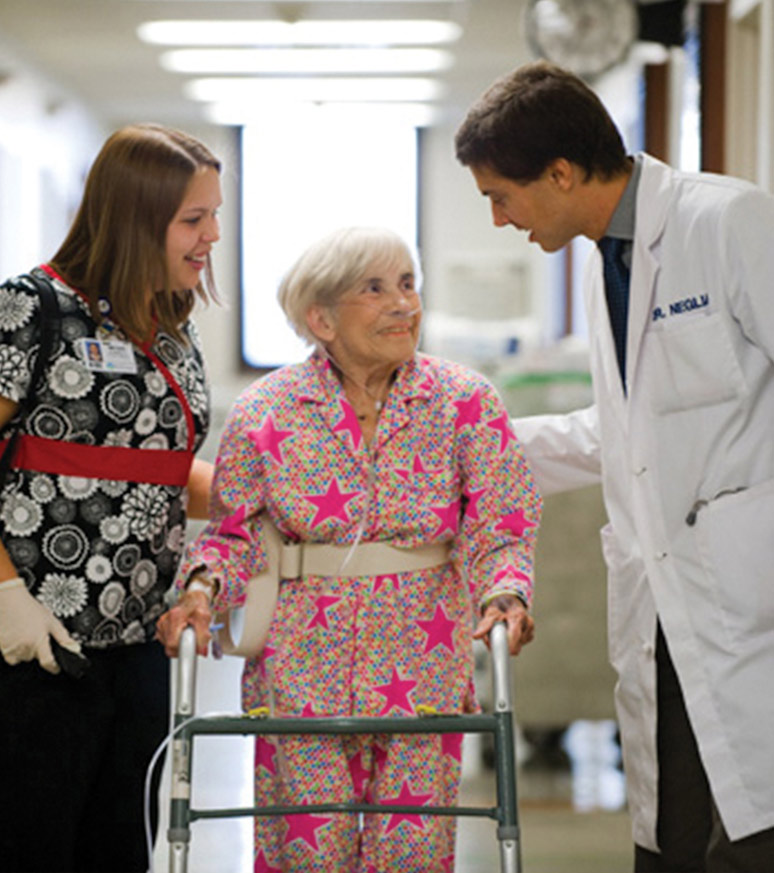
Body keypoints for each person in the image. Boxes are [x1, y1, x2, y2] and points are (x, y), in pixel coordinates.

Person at [454, 60, 774, 872]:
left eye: (502, 195)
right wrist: (465, 443)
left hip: (748, 602)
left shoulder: (727, 224)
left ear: (560, 173)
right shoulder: (609, 261)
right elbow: (622, 435)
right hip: (664, 610)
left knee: (749, 840)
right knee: (673, 843)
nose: (498, 219)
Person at [156, 225, 541, 872]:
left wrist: (506, 592)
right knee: (305, 855)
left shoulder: (466, 403)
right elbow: (232, 533)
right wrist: (199, 590)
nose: (404, 303)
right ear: (321, 317)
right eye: (375, 288)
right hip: (301, 670)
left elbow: (501, 526)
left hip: (423, 664)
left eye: (409, 284)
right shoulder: (267, 411)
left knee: (413, 855)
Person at [0, 123, 221, 873]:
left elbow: (156, 468)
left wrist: (276, 496)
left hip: (137, 644)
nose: (211, 236)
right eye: (194, 219)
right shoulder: (32, 309)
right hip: (33, 642)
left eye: (215, 216)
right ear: (135, 215)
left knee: (120, 851)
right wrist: (5, 592)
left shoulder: (170, 325)